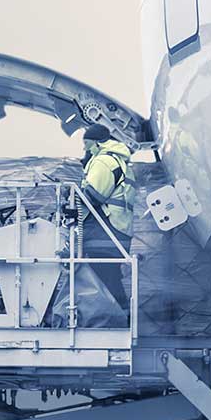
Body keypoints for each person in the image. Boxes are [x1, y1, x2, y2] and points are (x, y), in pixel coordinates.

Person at [78, 124, 136, 313]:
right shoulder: (118, 161)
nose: (84, 148)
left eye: (86, 143)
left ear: (96, 143)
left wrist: (71, 201)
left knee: (103, 279)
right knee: (109, 277)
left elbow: (93, 196)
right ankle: (121, 314)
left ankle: (118, 316)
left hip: (105, 231)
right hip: (117, 229)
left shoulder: (103, 161)